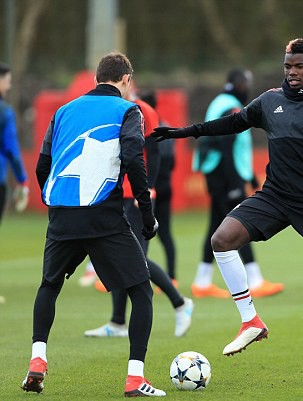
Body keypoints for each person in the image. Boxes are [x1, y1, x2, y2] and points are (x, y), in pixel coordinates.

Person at [152, 38, 303, 358]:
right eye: (287, 66)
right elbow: (232, 123)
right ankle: (250, 320)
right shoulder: (270, 102)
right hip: (275, 196)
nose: (292, 72)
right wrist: (186, 132)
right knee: (222, 239)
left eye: (298, 66)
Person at [22, 52, 165, 396]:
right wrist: (147, 216)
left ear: (97, 78)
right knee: (141, 291)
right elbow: (134, 158)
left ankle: (37, 359)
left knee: (49, 286)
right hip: (104, 215)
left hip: (62, 214)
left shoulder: (63, 111)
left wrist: (54, 200)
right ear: (126, 80)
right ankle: (134, 378)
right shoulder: (128, 110)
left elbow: (44, 164)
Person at [84, 87, 194, 339]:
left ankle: (180, 303)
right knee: (116, 256)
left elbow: (153, 151)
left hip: (135, 196)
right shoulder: (116, 110)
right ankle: (118, 322)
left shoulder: (143, 110)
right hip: (115, 195)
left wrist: (148, 188)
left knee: (136, 259)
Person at [191, 68, 283, 299]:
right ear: (238, 84)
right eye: (246, 83)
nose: (248, 87)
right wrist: (234, 182)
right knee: (241, 224)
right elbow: (225, 145)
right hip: (224, 175)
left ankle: (201, 281)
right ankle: (255, 279)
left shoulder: (221, 101)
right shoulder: (230, 105)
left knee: (216, 225)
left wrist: (249, 176)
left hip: (219, 173)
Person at [140, 89, 178, 284]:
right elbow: (172, 162)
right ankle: (172, 276)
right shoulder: (167, 127)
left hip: (148, 188)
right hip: (165, 186)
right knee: (166, 234)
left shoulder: (141, 127)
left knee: (140, 236)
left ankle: (138, 274)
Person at [0, 62, 29, 224]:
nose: (8, 87)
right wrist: (22, 179)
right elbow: (11, 150)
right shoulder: (4, 112)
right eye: (7, 81)